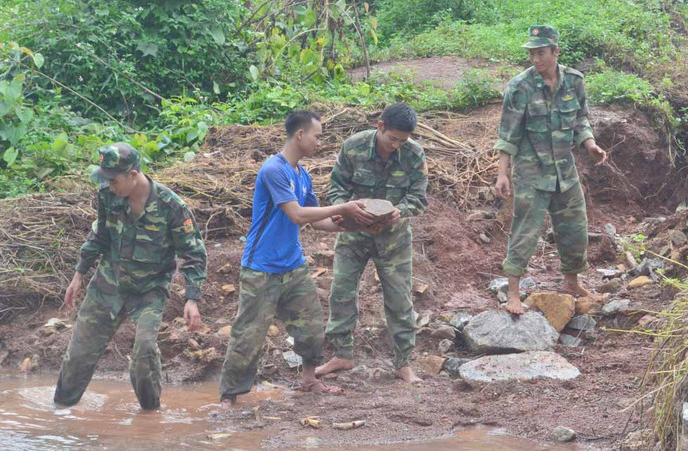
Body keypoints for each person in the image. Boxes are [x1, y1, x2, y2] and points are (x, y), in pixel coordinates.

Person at [219, 110, 375, 404]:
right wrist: (343, 207)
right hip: (261, 268)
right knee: (248, 336)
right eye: (317, 136)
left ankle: (308, 379)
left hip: (293, 265)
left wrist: (354, 222)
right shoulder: (273, 170)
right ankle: (229, 397)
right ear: (300, 135)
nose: (320, 141)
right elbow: (296, 214)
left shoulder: (302, 175)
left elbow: (317, 222)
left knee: (312, 326)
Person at [54, 143, 207, 410]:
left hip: (148, 291)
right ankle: (59, 414)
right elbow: (100, 235)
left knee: (144, 353)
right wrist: (78, 274)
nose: (109, 186)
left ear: (134, 175)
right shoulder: (108, 196)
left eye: (113, 180)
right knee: (78, 355)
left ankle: (150, 417)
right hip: (107, 285)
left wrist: (192, 299)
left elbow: (194, 253)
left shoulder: (171, 206)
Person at [493, 25, 608, 315]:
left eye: (540, 53)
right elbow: (508, 135)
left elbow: (581, 119)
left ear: (556, 51)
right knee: (525, 230)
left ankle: (571, 281)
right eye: (531, 53)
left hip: (565, 171)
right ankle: (514, 294)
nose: (535, 59)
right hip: (532, 172)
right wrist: (502, 174)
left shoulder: (574, 81)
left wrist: (590, 144)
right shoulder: (519, 87)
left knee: (574, 227)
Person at [315, 103, 428, 383]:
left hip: (394, 239)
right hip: (354, 234)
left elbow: (419, 198)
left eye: (402, 140)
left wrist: (401, 211)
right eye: (392, 139)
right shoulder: (353, 147)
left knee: (400, 300)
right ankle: (342, 354)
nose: (396, 145)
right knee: (341, 292)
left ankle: (403, 363)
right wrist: (346, 209)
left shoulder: (414, 155)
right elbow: (337, 187)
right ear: (380, 127)